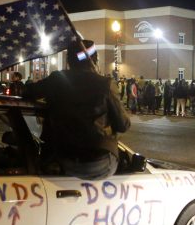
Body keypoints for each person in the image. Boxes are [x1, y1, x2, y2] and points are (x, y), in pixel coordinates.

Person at [23, 39, 131, 181]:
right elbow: (123, 125)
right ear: (94, 59)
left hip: (63, 159)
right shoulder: (106, 84)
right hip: (99, 163)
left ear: (69, 61)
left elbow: (27, 92)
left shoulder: (57, 80)